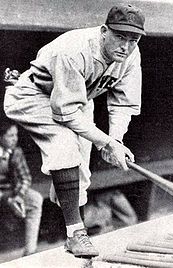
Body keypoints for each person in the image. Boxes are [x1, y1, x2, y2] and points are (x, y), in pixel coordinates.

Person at [4, 4, 146, 258]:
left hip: (76, 99)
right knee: (64, 143)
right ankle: (75, 233)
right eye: (120, 36)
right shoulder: (76, 50)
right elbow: (65, 113)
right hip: (33, 95)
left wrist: (115, 140)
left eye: (132, 39)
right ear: (104, 31)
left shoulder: (131, 56)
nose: (125, 45)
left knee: (81, 170)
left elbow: (123, 103)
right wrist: (105, 142)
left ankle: (69, 231)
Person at [0, 118, 43, 256]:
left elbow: (26, 178)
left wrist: (18, 197)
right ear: (1, 137)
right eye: (10, 135)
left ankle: (30, 251)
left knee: (35, 199)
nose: (15, 139)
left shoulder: (16, 152)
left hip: (12, 193)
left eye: (16, 135)